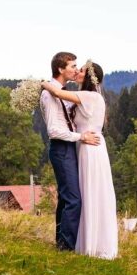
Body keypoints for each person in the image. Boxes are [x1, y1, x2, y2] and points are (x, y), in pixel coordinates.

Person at [42, 61, 118, 259]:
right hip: (82, 147)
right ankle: (78, 241)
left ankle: (91, 243)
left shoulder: (90, 96)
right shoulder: (87, 97)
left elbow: (58, 93)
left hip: (89, 148)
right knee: (80, 193)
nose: (77, 71)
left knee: (89, 193)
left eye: (81, 70)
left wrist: (43, 84)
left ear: (90, 77)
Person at [40, 52, 100, 251]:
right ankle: (66, 247)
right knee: (74, 199)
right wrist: (80, 137)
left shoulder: (62, 92)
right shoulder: (49, 94)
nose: (75, 70)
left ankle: (61, 243)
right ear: (60, 69)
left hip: (68, 148)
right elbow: (54, 130)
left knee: (66, 197)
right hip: (61, 148)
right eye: (73, 66)